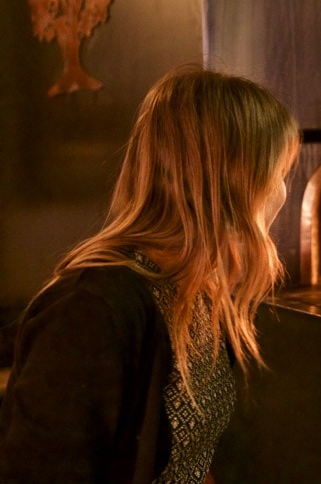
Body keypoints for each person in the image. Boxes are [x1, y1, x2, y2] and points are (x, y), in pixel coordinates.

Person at [0, 65, 302, 483]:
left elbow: (189, 459)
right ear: (228, 182)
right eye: (279, 173)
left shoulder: (196, 289)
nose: (282, 192)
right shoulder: (89, 310)